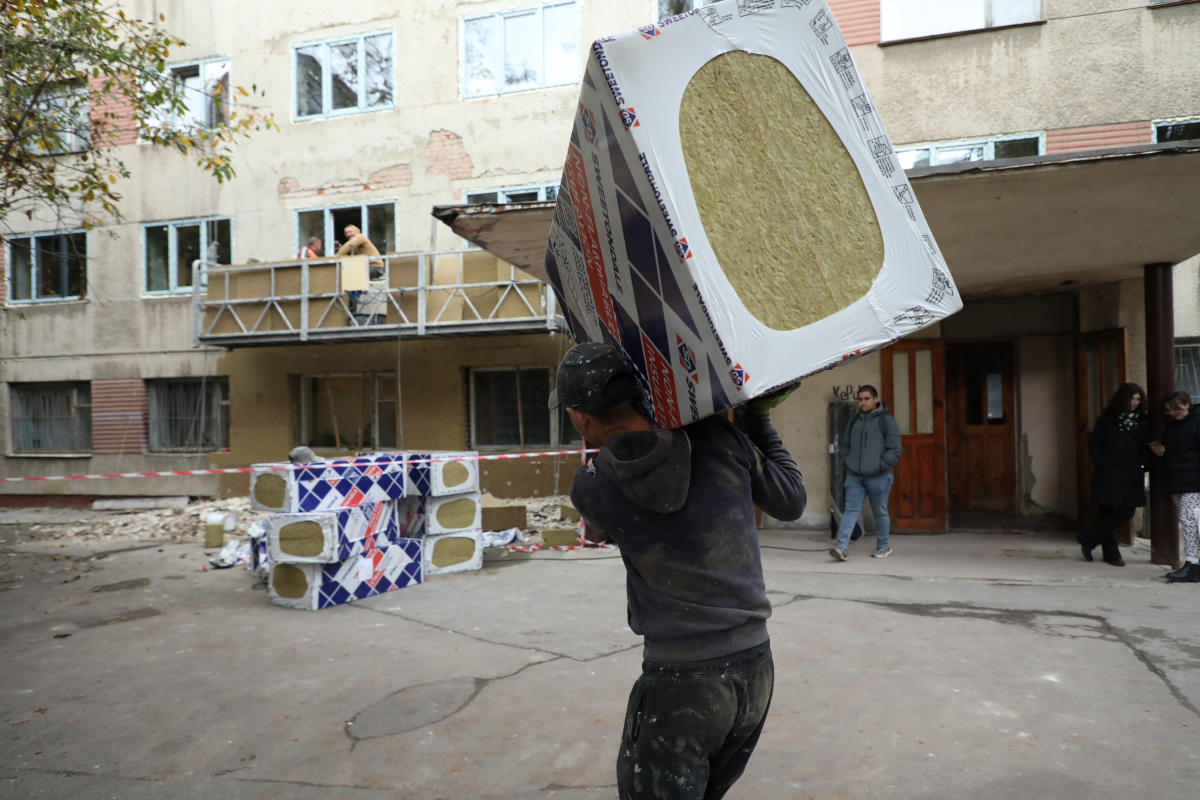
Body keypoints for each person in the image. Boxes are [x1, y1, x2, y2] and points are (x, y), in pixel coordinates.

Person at [556, 342, 806, 800]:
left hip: (682, 683)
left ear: (579, 417)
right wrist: (756, 417)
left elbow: (605, 526)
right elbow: (791, 501)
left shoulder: (592, 487)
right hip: (755, 670)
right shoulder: (718, 439)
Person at [1079, 383, 1149, 566]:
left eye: (1138, 400)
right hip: (1109, 473)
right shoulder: (1106, 420)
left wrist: (1143, 464)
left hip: (1132, 472)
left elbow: (1148, 446)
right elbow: (1095, 445)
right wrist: (1104, 463)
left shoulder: (1143, 421)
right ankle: (1111, 554)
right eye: (1131, 399)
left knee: (1127, 511)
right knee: (1106, 511)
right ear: (1122, 399)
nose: (1134, 403)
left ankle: (1088, 538)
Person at [830, 385, 902, 561]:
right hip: (855, 476)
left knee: (880, 512)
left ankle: (883, 546)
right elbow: (845, 444)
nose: (863, 402)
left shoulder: (887, 421)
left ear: (875, 399)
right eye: (860, 399)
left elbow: (896, 450)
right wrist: (849, 461)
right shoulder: (854, 421)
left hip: (879, 476)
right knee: (850, 510)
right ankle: (841, 548)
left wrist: (879, 465)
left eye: (866, 399)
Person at [1153, 391, 1200, 583]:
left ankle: (1192, 564)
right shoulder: (1173, 428)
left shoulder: (1196, 423)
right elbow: (1175, 453)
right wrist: (1162, 453)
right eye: (1169, 411)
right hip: (1177, 479)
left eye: (1176, 409)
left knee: (1190, 523)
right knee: (1190, 523)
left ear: (1187, 404)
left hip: (1193, 481)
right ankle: (1192, 564)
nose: (1173, 413)